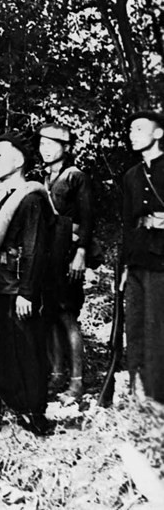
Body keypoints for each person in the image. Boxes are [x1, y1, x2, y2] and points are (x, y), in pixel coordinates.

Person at [0, 133, 53, 435]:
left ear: (18, 160)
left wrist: (27, 292)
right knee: (4, 348)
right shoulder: (3, 196)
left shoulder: (30, 198)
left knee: (27, 349)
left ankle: (35, 412)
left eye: (0, 155)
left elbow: (34, 248)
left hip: (18, 288)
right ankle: (15, 406)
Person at [37, 123, 93, 402]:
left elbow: (87, 218)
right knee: (50, 315)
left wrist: (81, 252)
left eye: (52, 143)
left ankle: (77, 380)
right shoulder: (42, 178)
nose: (45, 149)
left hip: (68, 255)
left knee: (67, 315)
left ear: (66, 147)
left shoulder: (75, 177)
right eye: (42, 143)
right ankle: (57, 373)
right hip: (47, 256)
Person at [122, 110, 164, 403]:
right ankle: (138, 386)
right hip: (137, 257)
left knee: (157, 325)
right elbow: (127, 222)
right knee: (135, 324)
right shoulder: (131, 176)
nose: (132, 134)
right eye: (130, 130)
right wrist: (125, 265)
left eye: (139, 129)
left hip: (161, 259)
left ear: (158, 133)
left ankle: (157, 392)